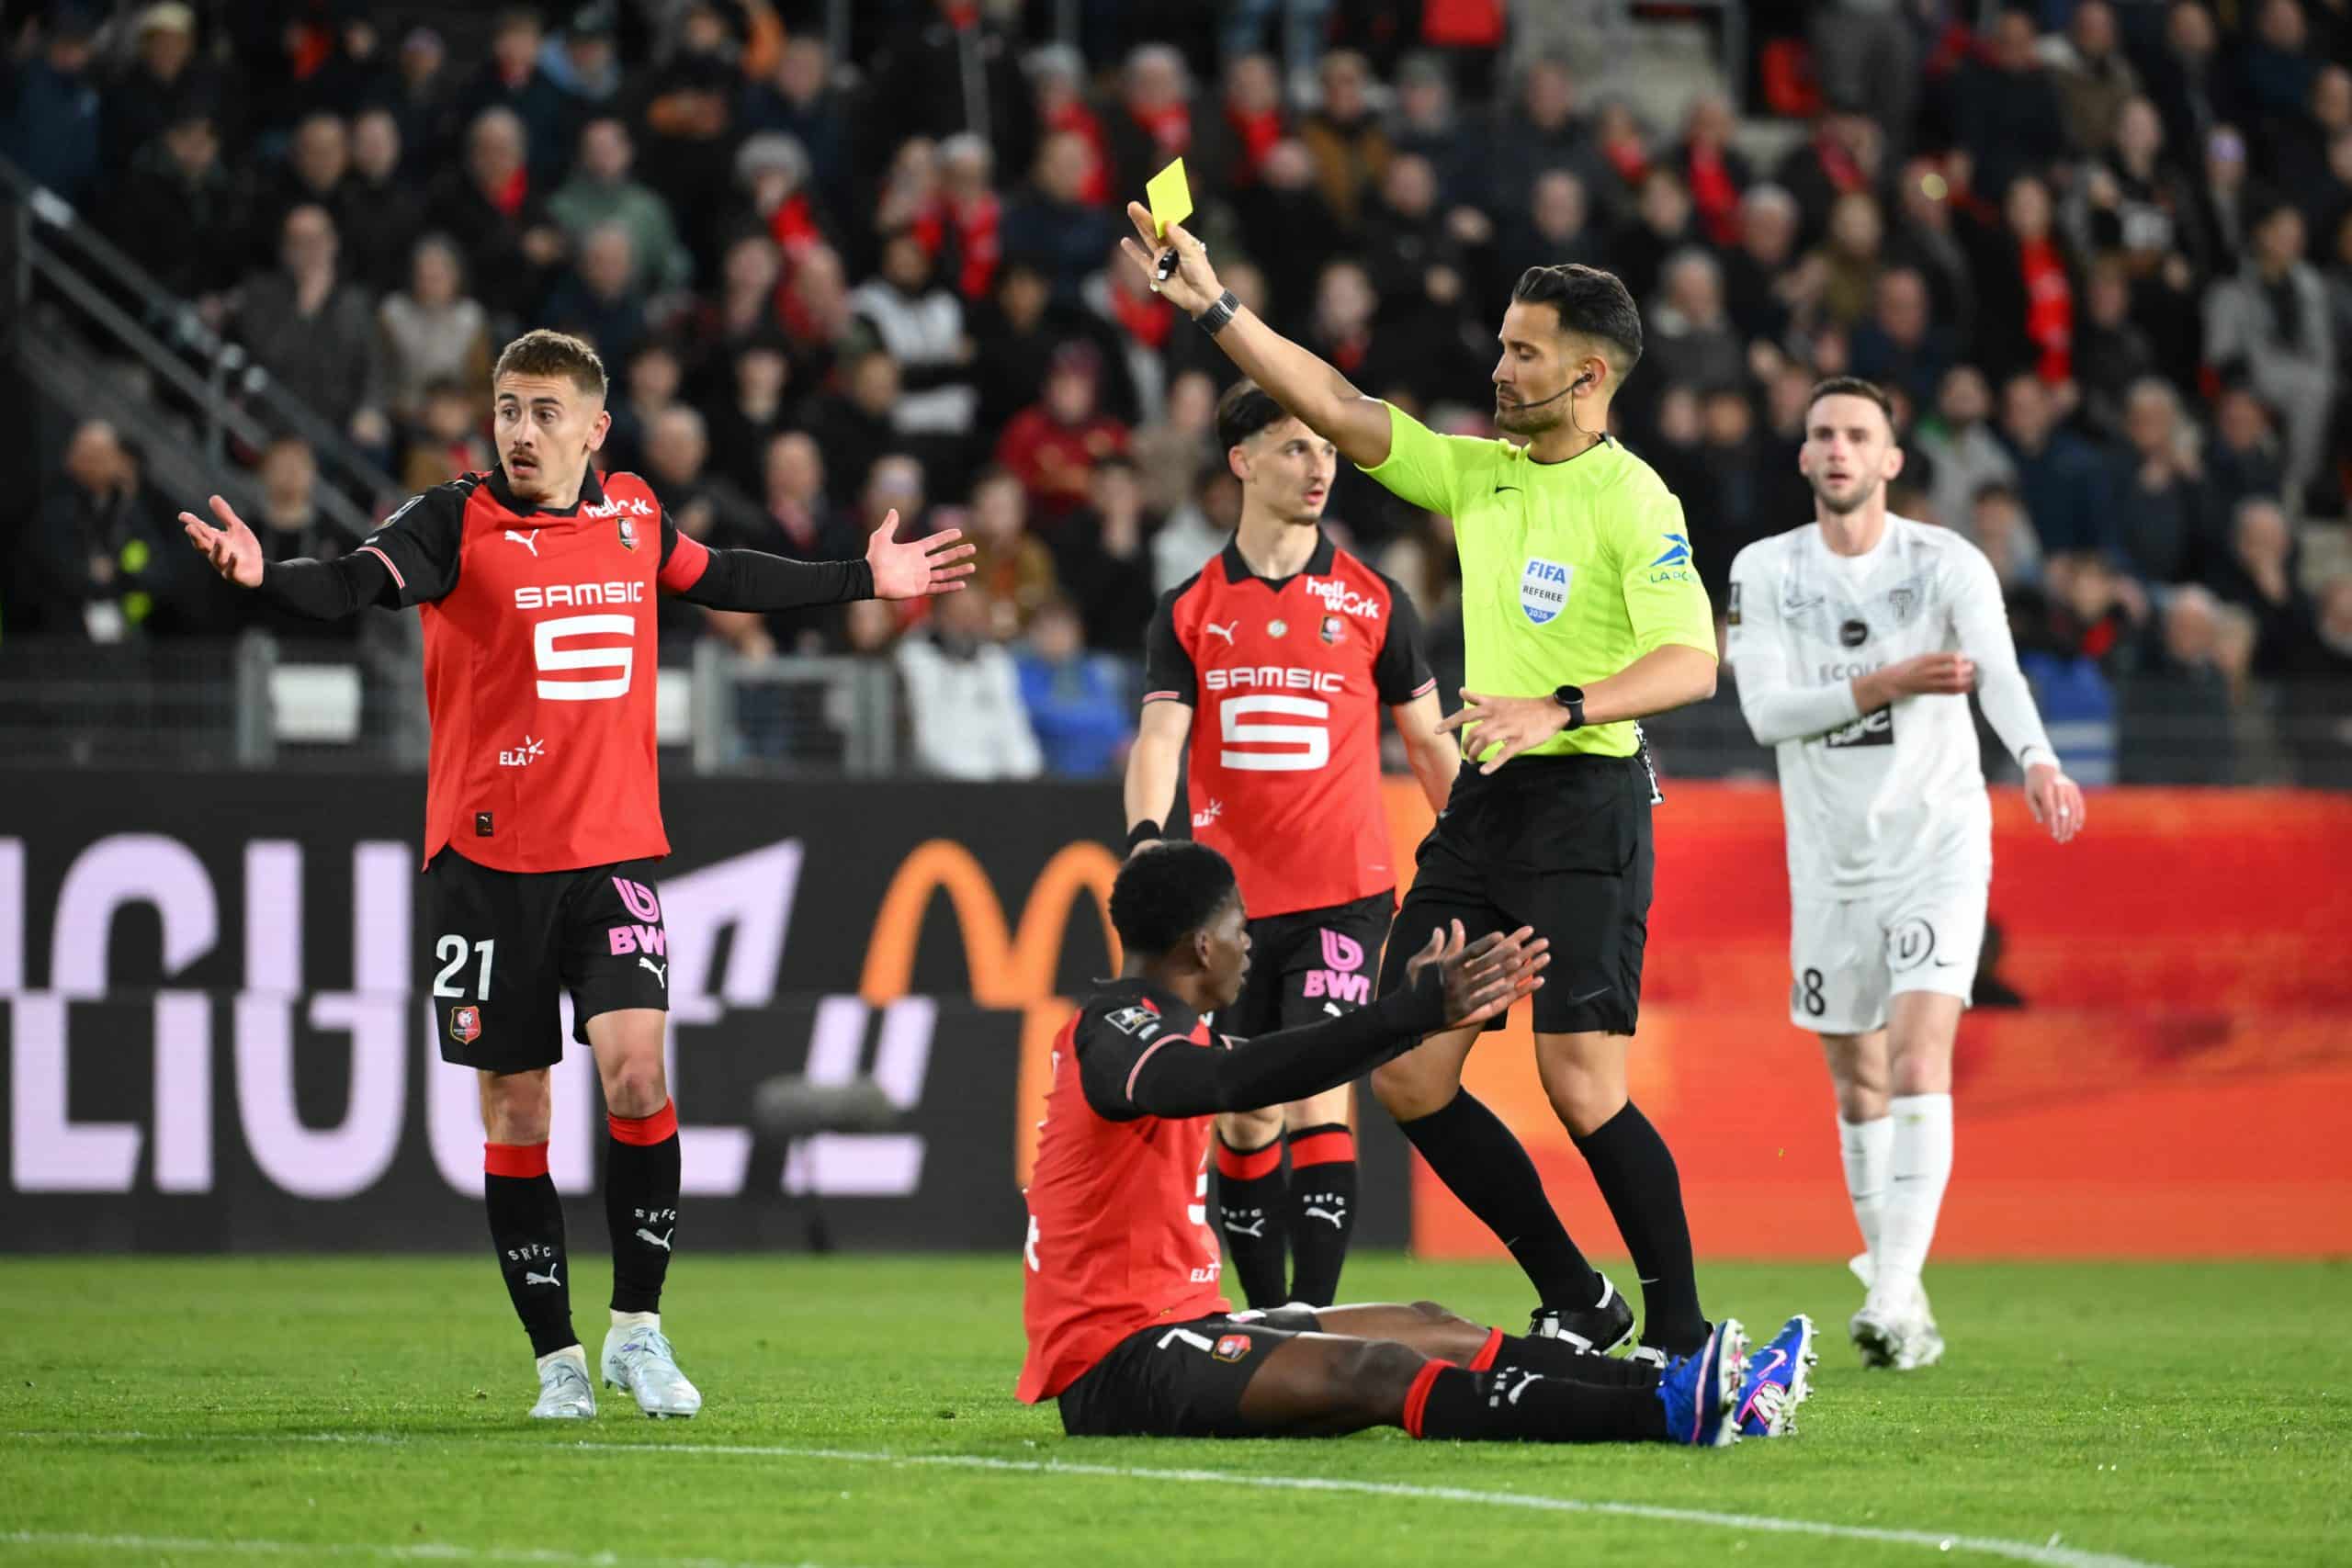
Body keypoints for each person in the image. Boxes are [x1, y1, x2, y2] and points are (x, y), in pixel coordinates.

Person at [179, 330, 975, 1420]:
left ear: (596, 428)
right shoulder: (452, 520)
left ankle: (638, 1333)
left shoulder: (635, 514)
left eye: (546, 411)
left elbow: (725, 576)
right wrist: (266, 572)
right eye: (508, 408)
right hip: (484, 865)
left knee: (638, 1078)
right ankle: (557, 1363)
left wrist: (860, 579)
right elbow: (353, 585)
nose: (520, 430)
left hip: (612, 856)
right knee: (517, 1108)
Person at [1124, 213, 1725, 1364]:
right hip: (1488, 808)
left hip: (1587, 798)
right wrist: (1211, 303)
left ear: (1587, 375)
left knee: (1579, 1082)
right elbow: (1341, 407)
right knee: (1401, 1063)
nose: (1498, 370)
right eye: (1500, 347)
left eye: (1523, 353)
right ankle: (1579, 1299)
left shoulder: (1634, 501)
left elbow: (1690, 662)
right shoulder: (1482, 473)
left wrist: (1561, 705)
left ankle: (1685, 1335)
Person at [1019, 840, 1816, 1445]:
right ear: (1200, 946)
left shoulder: (1163, 1032)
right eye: (1238, 926)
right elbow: (1228, 1084)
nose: (1249, 940)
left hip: (1181, 1323)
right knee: (1379, 1370)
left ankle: (1695, 1381)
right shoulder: (1115, 1032)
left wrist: (1417, 1015)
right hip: (1119, 1362)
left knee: (1433, 1323)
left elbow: (1274, 1071)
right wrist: (1401, 1015)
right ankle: (1666, 1414)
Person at [1723, 377, 2086, 1371]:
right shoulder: (1763, 570)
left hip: (1937, 842)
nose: (1838, 449)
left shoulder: (1944, 562)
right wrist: (1885, 681)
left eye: (1858, 436)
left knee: (1921, 1059)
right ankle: (1905, 1295)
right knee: (1856, 1081)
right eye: (1822, 435)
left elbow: (2000, 670)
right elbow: (1765, 714)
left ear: (1890, 460)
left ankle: (1886, 1287)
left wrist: (2038, 758)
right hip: (1830, 861)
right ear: (1803, 458)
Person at [1123, 379, 1459, 1311]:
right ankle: (1267, 1315)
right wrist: (1149, 840)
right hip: (1229, 909)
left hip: (1347, 892)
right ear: (1241, 462)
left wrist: (1475, 843)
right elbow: (1159, 738)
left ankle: (1311, 1318)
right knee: (1242, 1113)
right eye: (1296, 449)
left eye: (1327, 451)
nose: (1320, 467)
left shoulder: (1374, 601)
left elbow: (1430, 742)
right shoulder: (1187, 609)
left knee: (1318, 1089)